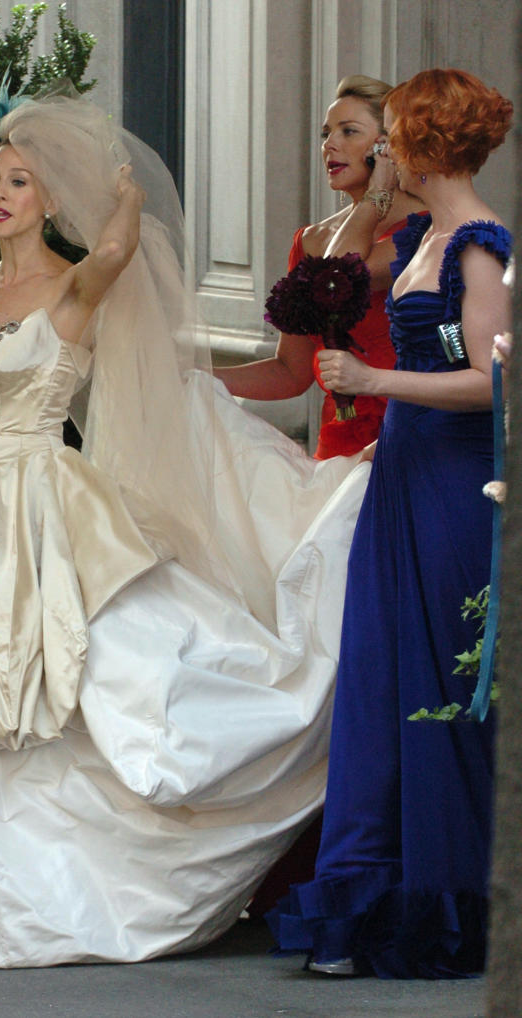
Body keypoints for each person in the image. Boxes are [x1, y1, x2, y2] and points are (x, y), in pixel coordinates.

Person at [0, 87, 372, 971]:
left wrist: (120, 194)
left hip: (39, 493)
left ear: (52, 199)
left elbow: (120, 251)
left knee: (58, 676)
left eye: (20, 180)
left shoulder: (74, 282)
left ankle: (47, 886)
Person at [267, 68, 513, 979]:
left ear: (422, 140)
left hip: (453, 483)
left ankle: (453, 906)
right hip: (402, 474)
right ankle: (371, 894)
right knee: (380, 680)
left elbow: (492, 380)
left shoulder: (479, 244)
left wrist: (375, 386)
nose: (382, 149)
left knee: (442, 684)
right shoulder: (426, 238)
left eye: (392, 133)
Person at [214, 75, 424, 460]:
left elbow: (342, 274)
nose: (330, 145)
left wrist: (379, 191)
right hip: (338, 442)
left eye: (349, 131)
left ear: (388, 144)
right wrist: (203, 378)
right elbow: (289, 372)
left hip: (406, 436)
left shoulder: (424, 227)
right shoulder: (311, 239)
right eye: (327, 133)